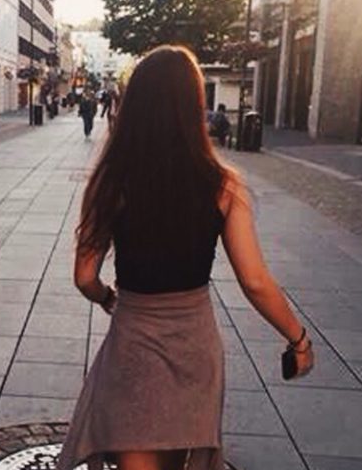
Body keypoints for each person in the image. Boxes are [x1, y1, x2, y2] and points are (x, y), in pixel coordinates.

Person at [56, 45, 314, 470]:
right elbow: (254, 281)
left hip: (133, 342)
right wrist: (298, 339)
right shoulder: (223, 184)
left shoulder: (111, 180)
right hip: (195, 345)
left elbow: (85, 276)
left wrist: (107, 297)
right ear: (194, 106)